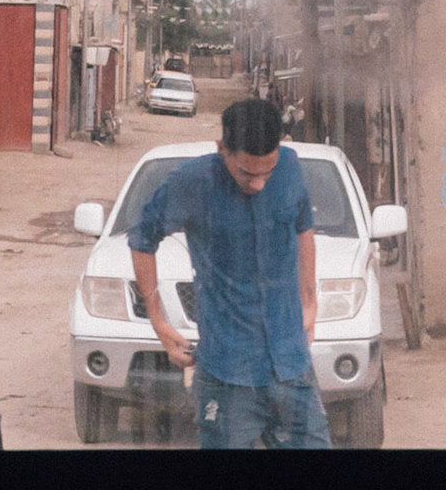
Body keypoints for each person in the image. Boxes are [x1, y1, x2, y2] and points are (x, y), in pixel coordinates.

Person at [128, 96, 329, 449]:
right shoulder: (193, 182)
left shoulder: (290, 166)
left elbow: (303, 226)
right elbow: (142, 239)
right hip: (227, 373)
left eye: (267, 171)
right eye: (247, 172)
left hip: (291, 365)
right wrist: (158, 321)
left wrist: (309, 300)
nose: (259, 183)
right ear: (222, 148)